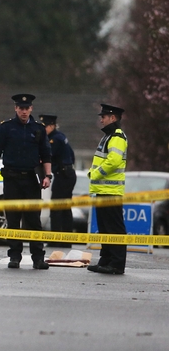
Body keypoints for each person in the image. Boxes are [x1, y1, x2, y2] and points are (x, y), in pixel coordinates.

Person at [0, 94, 52, 270]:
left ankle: (38, 258)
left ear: (31, 108)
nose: (24, 111)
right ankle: (15, 256)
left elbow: (46, 154)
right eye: (21, 108)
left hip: (32, 179)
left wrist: (47, 176)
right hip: (12, 178)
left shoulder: (38, 129)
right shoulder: (6, 128)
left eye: (27, 108)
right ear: (16, 108)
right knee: (13, 218)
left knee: (33, 220)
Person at [88, 104, 128, 275]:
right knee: (105, 228)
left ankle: (117, 264)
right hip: (103, 191)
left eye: (104, 116)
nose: (101, 119)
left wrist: (95, 174)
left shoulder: (117, 136)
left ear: (113, 118)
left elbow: (114, 161)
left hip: (110, 192)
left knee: (114, 229)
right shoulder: (108, 136)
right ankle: (106, 260)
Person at [39, 114, 77, 248]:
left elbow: (48, 157)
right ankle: (66, 239)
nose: (43, 130)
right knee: (65, 208)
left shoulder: (53, 140)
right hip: (68, 174)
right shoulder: (61, 137)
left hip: (63, 176)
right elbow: (72, 156)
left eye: (45, 127)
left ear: (51, 126)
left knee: (56, 208)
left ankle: (55, 239)